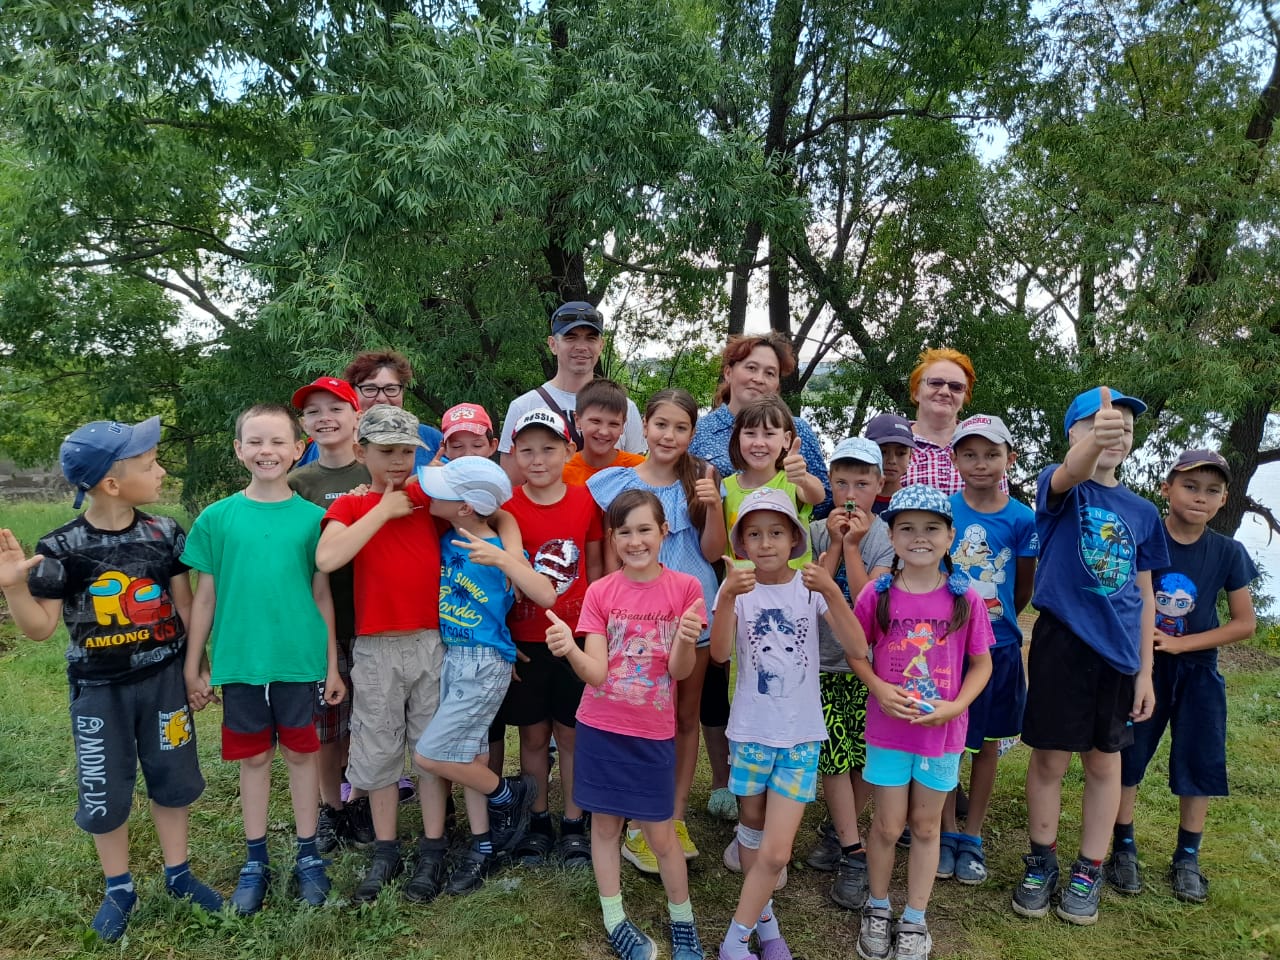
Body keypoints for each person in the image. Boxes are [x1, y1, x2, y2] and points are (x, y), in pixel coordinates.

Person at [0, 417, 221, 942]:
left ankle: (179, 874)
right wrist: (13, 589)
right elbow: (40, 628)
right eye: (150, 464)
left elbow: (185, 606)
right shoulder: (61, 546)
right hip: (99, 693)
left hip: (164, 685)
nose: (161, 471)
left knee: (174, 780)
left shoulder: (165, 532)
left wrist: (197, 668)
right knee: (104, 793)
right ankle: (119, 888)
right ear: (112, 483)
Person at [315, 405, 529, 904]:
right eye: (386, 451)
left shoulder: (426, 498)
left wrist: (512, 557)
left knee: (433, 750)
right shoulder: (351, 506)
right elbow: (327, 557)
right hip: (375, 646)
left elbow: (499, 512)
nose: (398, 461)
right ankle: (385, 850)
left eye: (407, 451)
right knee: (379, 749)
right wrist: (380, 510)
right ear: (361, 451)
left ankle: (433, 847)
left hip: (434, 643)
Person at [1012, 386, 1167, 926]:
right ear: (1074, 434)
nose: (1116, 431)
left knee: (1105, 763)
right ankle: (1041, 861)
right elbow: (1070, 472)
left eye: (1125, 426)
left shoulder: (1144, 512)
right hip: (1062, 644)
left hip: (1120, 656)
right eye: (1102, 423)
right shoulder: (1060, 488)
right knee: (1050, 759)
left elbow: (1145, 595)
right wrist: (1091, 445)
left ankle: (1088, 869)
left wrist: (1145, 671)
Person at [182, 404, 345, 916]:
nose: (266, 451)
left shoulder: (315, 520)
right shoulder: (217, 519)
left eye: (277, 442)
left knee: (300, 754)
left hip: (300, 660)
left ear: (298, 449)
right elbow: (204, 598)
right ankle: (255, 860)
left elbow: (322, 596)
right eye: (255, 441)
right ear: (239, 450)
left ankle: (308, 854)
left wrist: (332, 664)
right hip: (241, 661)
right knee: (253, 758)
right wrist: (194, 664)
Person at [546, 489, 708, 960]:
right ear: (612, 538)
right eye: (624, 532)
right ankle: (615, 919)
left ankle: (683, 922)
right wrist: (569, 649)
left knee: (661, 834)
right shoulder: (601, 592)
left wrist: (685, 640)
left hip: (652, 734)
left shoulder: (686, 589)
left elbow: (678, 671)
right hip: (600, 729)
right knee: (604, 827)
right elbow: (596, 674)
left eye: (644, 530)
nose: (635, 541)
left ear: (664, 532)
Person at [711, 487, 867, 960]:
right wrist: (725, 598)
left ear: (794, 539)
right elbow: (719, 653)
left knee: (777, 854)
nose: (765, 543)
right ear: (741, 543)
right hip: (750, 733)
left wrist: (832, 590)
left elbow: (858, 647)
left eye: (776, 532)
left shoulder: (810, 587)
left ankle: (734, 942)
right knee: (752, 833)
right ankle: (768, 924)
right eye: (754, 534)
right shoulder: (737, 588)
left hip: (801, 736)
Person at [1106, 449, 1258, 904]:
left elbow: (1244, 623)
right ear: (1166, 488)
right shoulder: (1144, 540)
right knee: (1129, 758)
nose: (1200, 497)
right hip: (1142, 669)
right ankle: (1123, 847)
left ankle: (1187, 857)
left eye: (1212, 490)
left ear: (1224, 499)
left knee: (1198, 761)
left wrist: (1181, 644)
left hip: (1199, 672)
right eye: (1190, 486)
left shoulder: (1228, 552)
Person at [850, 484, 993, 960]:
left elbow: (982, 665)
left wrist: (956, 707)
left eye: (932, 528)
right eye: (907, 528)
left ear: (950, 536)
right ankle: (877, 906)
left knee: (927, 827)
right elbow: (857, 653)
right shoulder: (877, 594)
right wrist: (878, 688)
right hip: (889, 731)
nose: (919, 538)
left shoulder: (965, 599)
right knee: (888, 825)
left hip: (942, 735)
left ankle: (915, 917)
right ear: (891, 537)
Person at [588, 388, 726, 868]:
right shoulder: (616, 482)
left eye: (681, 427)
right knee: (635, 714)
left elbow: (713, 552)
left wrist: (714, 506)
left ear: (692, 433)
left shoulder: (704, 478)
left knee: (684, 718)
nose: (669, 435)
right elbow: (611, 555)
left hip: (691, 615)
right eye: (661, 424)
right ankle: (634, 817)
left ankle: (674, 815)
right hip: (634, 623)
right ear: (644, 427)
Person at [412, 457, 555, 898]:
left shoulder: (496, 550)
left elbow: (545, 593)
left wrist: (505, 559)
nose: (430, 494)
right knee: (469, 755)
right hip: (453, 658)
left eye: (442, 491)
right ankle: (483, 845)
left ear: (465, 507)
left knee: (430, 754)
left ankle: (508, 793)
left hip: (483, 663)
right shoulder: (448, 536)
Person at [499, 408, 605, 867]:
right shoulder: (506, 508)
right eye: (527, 450)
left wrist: (597, 630)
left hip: (575, 638)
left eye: (548, 449)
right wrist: (505, 639)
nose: (537, 459)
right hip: (525, 639)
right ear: (514, 454)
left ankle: (574, 822)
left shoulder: (585, 500)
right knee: (534, 735)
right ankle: (538, 819)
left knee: (571, 733)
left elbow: (595, 567)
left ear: (568, 450)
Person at [939, 415, 1037, 885]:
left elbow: (1023, 588)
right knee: (948, 742)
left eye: (992, 454)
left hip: (999, 648)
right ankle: (945, 831)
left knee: (987, 744)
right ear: (954, 459)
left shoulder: (1022, 519)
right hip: (947, 648)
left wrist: (992, 622)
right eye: (970, 454)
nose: (981, 464)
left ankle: (972, 835)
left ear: (1009, 459)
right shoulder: (944, 511)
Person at [802, 437, 894, 911]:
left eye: (862, 483)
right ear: (830, 484)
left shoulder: (888, 537)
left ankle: (840, 833)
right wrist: (836, 544)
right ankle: (853, 849)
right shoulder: (816, 532)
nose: (851, 494)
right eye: (841, 483)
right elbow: (810, 595)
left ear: (879, 485)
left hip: (870, 664)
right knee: (834, 758)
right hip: (822, 661)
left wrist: (854, 547)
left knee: (863, 756)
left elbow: (868, 605)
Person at [287, 376, 373, 852]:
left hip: (373, 618)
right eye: (313, 411)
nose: (325, 418)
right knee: (327, 725)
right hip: (319, 622)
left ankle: (360, 800)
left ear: (356, 415)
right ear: (303, 424)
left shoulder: (375, 470)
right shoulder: (297, 483)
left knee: (370, 720)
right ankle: (331, 807)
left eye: (336, 408)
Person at [498, 302, 644, 484]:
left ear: (601, 345)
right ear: (553, 344)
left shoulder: (625, 407)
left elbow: (638, 481)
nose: (581, 346)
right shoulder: (523, 407)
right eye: (570, 337)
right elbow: (512, 487)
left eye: (591, 338)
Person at [690, 331, 831, 518]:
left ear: (777, 384)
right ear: (728, 373)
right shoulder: (699, 431)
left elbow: (824, 502)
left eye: (770, 373)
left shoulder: (797, 430)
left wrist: (801, 479)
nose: (759, 379)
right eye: (751, 368)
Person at [294, 350, 444, 469]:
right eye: (370, 389)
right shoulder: (328, 444)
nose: (382, 398)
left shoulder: (430, 438)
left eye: (391, 389)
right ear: (354, 393)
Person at [721, 395, 825, 567]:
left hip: (792, 582)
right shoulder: (725, 487)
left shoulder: (791, 481)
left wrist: (803, 478)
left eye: (769, 434)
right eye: (750, 433)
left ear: (786, 439)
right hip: (742, 582)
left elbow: (817, 496)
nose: (759, 443)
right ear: (737, 437)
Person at [901, 349, 977, 495]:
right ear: (916, 392)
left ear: (965, 398)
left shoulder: (982, 444)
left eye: (956, 387)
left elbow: (1000, 505)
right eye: (935, 383)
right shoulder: (891, 443)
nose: (945, 392)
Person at [562, 378, 646, 484]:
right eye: (595, 421)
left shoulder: (638, 469)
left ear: (623, 425)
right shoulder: (561, 471)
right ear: (577, 420)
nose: (604, 432)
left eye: (613, 424)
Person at [864, 414, 917, 515]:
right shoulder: (855, 499)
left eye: (901, 453)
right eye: (883, 452)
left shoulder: (915, 504)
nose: (892, 460)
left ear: (910, 456)